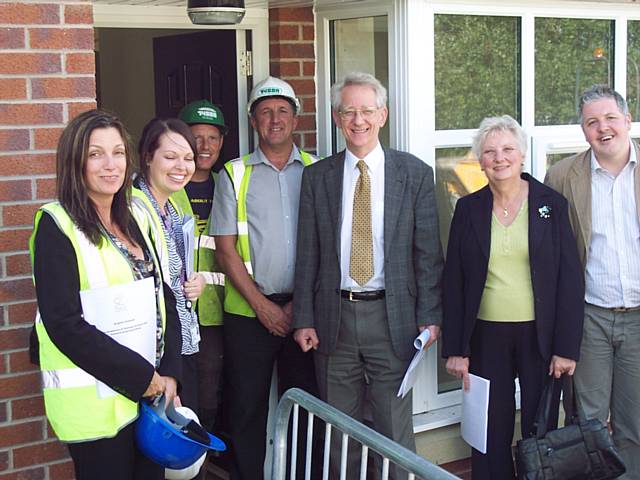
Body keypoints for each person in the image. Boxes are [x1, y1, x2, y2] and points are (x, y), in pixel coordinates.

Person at [292, 72, 443, 479]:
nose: (358, 120)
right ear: (338, 119)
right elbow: (307, 254)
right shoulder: (317, 177)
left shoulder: (413, 174)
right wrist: (303, 317)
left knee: (394, 428)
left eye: (366, 111)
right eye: (349, 112)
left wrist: (430, 317)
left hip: (393, 318)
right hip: (333, 319)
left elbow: (427, 254)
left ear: (383, 115)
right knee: (341, 430)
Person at [30, 109, 181, 479]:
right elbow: (63, 324)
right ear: (74, 161)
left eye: (117, 152)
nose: (110, 165)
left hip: (148, 396)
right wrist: (142, 376)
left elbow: (164, 296)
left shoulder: (137, 216)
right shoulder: (56, 224)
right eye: (95, 154)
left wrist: (171, 372)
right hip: (96, 407)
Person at [443, 115, 584, 479]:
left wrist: (566, 347)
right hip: (486, 335)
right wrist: (456, 349)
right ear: (480, 159)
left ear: (522, 155)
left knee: (541, 431)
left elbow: (569, 279)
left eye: (507, 149)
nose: (499, 158)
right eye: (489, 152)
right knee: (489, 430)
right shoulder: (468, 209)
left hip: (540, 336)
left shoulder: (551, 204)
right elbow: (454, 281)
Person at [211, 76, 319, 479]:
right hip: (248, 313)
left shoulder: (317, 169)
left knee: (306, 408)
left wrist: (293, 306)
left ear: (296, 118)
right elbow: (225, 250)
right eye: (266, 112)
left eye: (283, 111)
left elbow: (327, 246)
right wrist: (265, 308)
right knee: (245, 409)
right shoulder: (233, 175)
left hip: (304, 312)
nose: (275, 119)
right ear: (253, 120)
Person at [546, 85, 640, 479]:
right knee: (588, 424)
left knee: (635, 423)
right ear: (583, 130)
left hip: (638, 318)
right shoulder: (562, 176)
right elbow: (551, 257)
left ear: (628, 120)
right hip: (590, 318)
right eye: (592, 122)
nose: (603, 128)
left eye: (610, 119)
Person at [133, 118, 205, 412]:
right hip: (157, 357)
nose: (182, 166)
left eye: (188, 158)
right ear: (148, 157)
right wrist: (168, 371)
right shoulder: (133, 209)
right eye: (170, 157)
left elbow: (173, 276)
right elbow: (149, 291)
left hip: (181, 345)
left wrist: (194, 282)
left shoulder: (171, 207)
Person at [173, 100, 227, 433]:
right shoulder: (163, 189)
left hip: (220, 314)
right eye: (196, 137)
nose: (204, 146)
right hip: (177, 314)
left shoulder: (229, 185)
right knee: (181, 395)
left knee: (213, 395)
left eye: (212, 137)